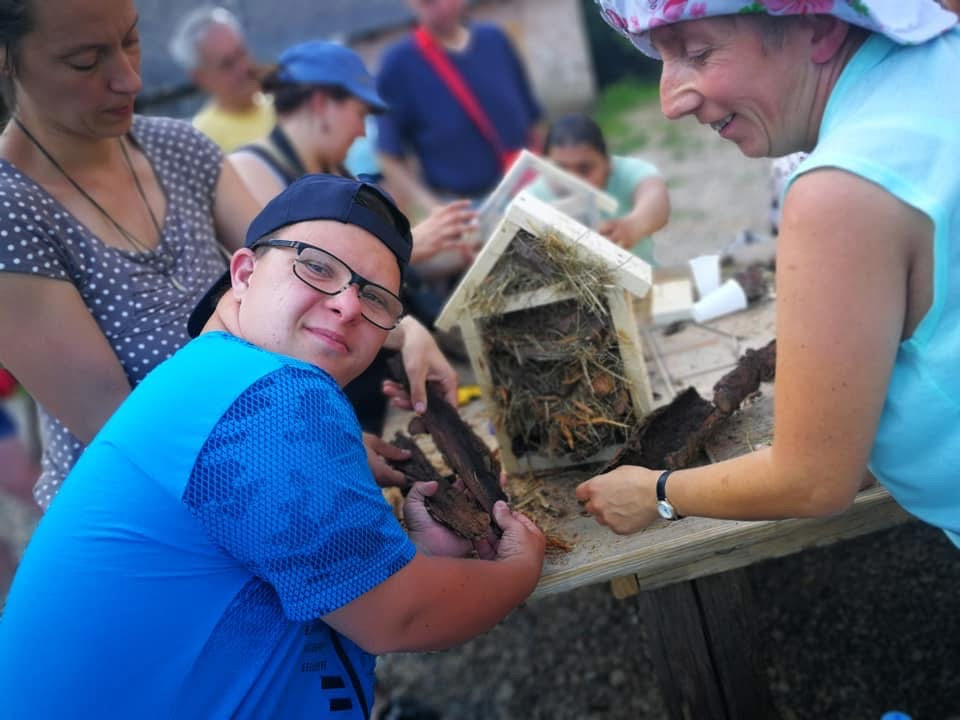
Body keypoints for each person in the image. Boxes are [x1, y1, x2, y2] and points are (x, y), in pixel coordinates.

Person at [0, 174, 546, 718]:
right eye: (316, 267)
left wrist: (418, 559)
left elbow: (329, 583)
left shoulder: (208, 369)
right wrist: (518, 573)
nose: (348, 306)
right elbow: (397, 617)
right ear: (244, 273)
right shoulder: (273, 393)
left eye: (376, 298)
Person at [0, 0, 453, 509]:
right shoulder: (10, 211)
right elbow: (124, 428)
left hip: (265, 467)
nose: (128, 80)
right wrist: (315, 453)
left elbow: (301, 271)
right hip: (145, 513)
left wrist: (401, 330)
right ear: (7, 59)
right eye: (86, 60)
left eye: (130, 40)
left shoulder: (180, 148)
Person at [576, 2, 960, 547]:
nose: (669, 102)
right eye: (659, 56)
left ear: (820, 23)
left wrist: (657, 492)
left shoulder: (840, 190)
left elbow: (814, 480)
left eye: (698, 51)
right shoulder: (939, 61)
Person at [375, 0, 543, 211]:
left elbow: (533, 120)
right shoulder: (397, 65)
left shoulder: (496, 39)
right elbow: (389, 157)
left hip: (527, 191)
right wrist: (435, 208)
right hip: (467, 210)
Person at [530, 113, 670, 266]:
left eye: (584, 169)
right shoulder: (532, 197)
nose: (572, 180)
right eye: (560, 169)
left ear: (607, 162)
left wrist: (631, 227)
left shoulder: (628, 170)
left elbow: (655, 197)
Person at [168, 5, 275, 152]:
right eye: (227, 64)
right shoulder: (203, 143)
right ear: (200, 78)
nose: (243, 67)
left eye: (241, 53)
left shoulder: (286, 102)